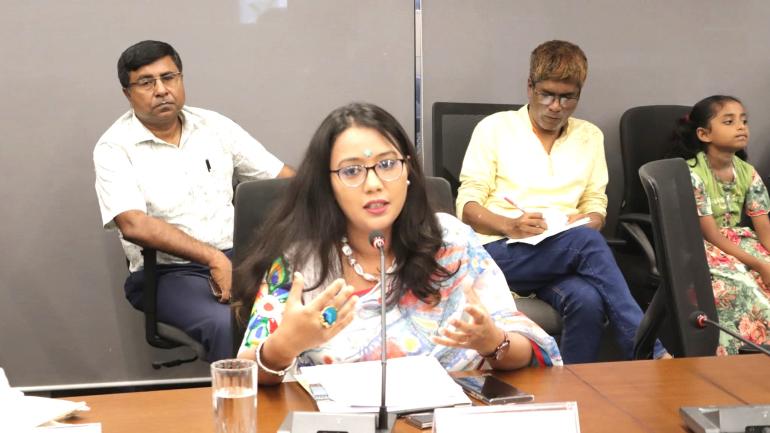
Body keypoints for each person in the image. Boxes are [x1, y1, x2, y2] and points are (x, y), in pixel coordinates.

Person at [234, 102, 561, 385]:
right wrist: (285, 346)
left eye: (387, 164)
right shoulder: (301, 263)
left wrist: (492, 342)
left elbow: (529, 352)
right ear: (327, 184)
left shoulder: (451, 242)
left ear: (407, 171)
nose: (373, 184)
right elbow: (244, 375)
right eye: (352, 171)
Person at [456, 40, 667, 363]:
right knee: (586, 243)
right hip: (497, 253)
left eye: (568, 97)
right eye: (547, 95)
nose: (556, 106)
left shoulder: (589, 136)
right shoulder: (495, 128)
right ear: (530, 87)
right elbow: (467, 206)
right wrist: (510, 225)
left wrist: (590, 220)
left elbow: (595, 202)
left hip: (560, 254)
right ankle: (648, 352)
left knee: (587, 300)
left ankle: (574, 384)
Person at [93, 40, 295, 361]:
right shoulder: (114, 148)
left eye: (168, 77)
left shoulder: (214, 126)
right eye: (146, 82)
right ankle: (238, 395)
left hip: (241, 260)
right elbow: (133, 225)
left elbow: (285, 181)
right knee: (227, 324)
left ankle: (301, 391)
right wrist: (214, 259)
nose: (161, 90)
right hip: (168, 273)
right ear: (127, 93)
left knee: (307, 306)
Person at [670, 95, 770, 355]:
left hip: (740, 242)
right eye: (729, 121)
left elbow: (764, 231)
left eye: (744, 121)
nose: (741, 127)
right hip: (706, 248)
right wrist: (759, 265)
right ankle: (739, 360)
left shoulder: (748, 172)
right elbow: (711, 235)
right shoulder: (692, 174)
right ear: (704, 134)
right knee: (743, 288)